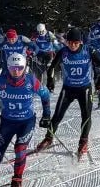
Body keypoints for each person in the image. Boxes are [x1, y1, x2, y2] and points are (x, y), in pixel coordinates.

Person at [0, 52, 51, 187]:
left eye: (19, 68)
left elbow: (45, 95)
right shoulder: (0, 81)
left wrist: (46, 115)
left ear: (24, 68)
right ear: (8, 67)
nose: (16, 71)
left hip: (26, 122)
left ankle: (17, 180)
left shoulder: (31, 81)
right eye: (12, 68)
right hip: (7, 122)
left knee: (20, 148)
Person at [36, 29, 93, 157]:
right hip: (68, 88)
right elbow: (52, 67)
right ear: (67, 42)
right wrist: (50, 80)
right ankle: (48, 138)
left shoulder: (87, 51)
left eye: (76, 43)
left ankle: (83, 142)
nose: (73, 45)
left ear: (80, 42)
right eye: (70, 43)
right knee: (57, 115)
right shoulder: (63, 52)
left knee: (86, 116)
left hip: (84, 89)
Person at [31, 24, 59, 92]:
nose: (40, 33)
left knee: (50, 70)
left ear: (44, 29)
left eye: (42, 31)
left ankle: (50, 87)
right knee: (39, 71)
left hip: (49, 53)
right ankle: (38, 87)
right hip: (39, 54)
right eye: (39, 31)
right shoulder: (35, 35)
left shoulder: (49, 34)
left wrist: (54, 42)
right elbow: (31, 43)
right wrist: (32, 50)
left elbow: (56, 42)